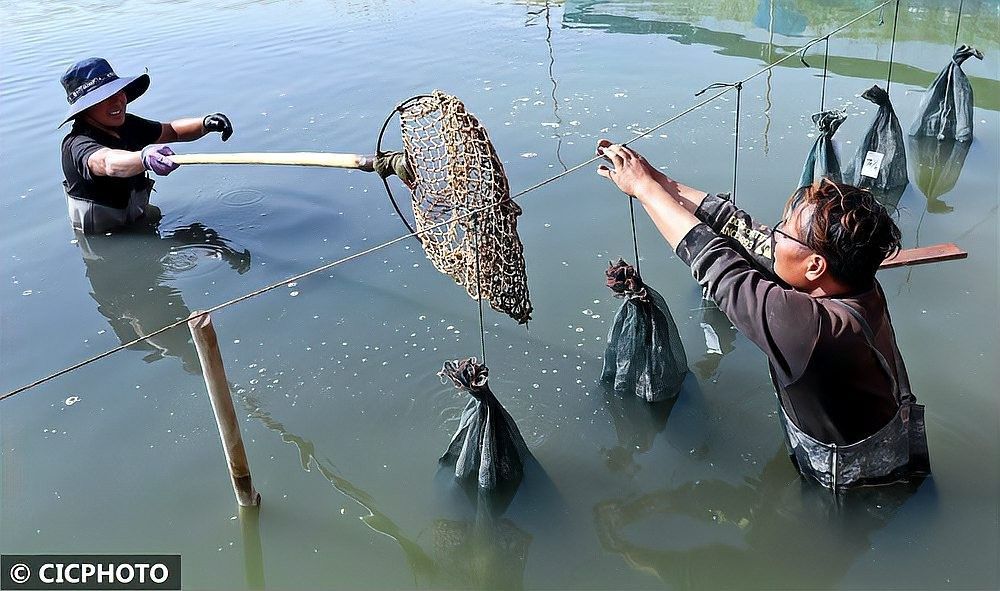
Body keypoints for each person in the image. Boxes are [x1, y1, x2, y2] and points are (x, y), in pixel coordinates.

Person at [594, 139, 929, 490]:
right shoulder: (855, 283)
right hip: (892, 442)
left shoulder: (811, 330)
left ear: (815, 266)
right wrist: (659, 181)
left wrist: (644, 189)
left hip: (859, 485)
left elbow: (715, 260)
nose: (773, 234)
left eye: (783, 229)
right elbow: (743, 230)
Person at [60, 57, 234, 234]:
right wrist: (144, 158)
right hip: (103, 240)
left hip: (138, 219)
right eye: (104, 97)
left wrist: (204, 124)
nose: (117, 101)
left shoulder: (127, 125)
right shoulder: (76, 144)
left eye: (118, 92)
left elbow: (172, 131)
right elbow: (107, 162)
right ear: (85, 108)